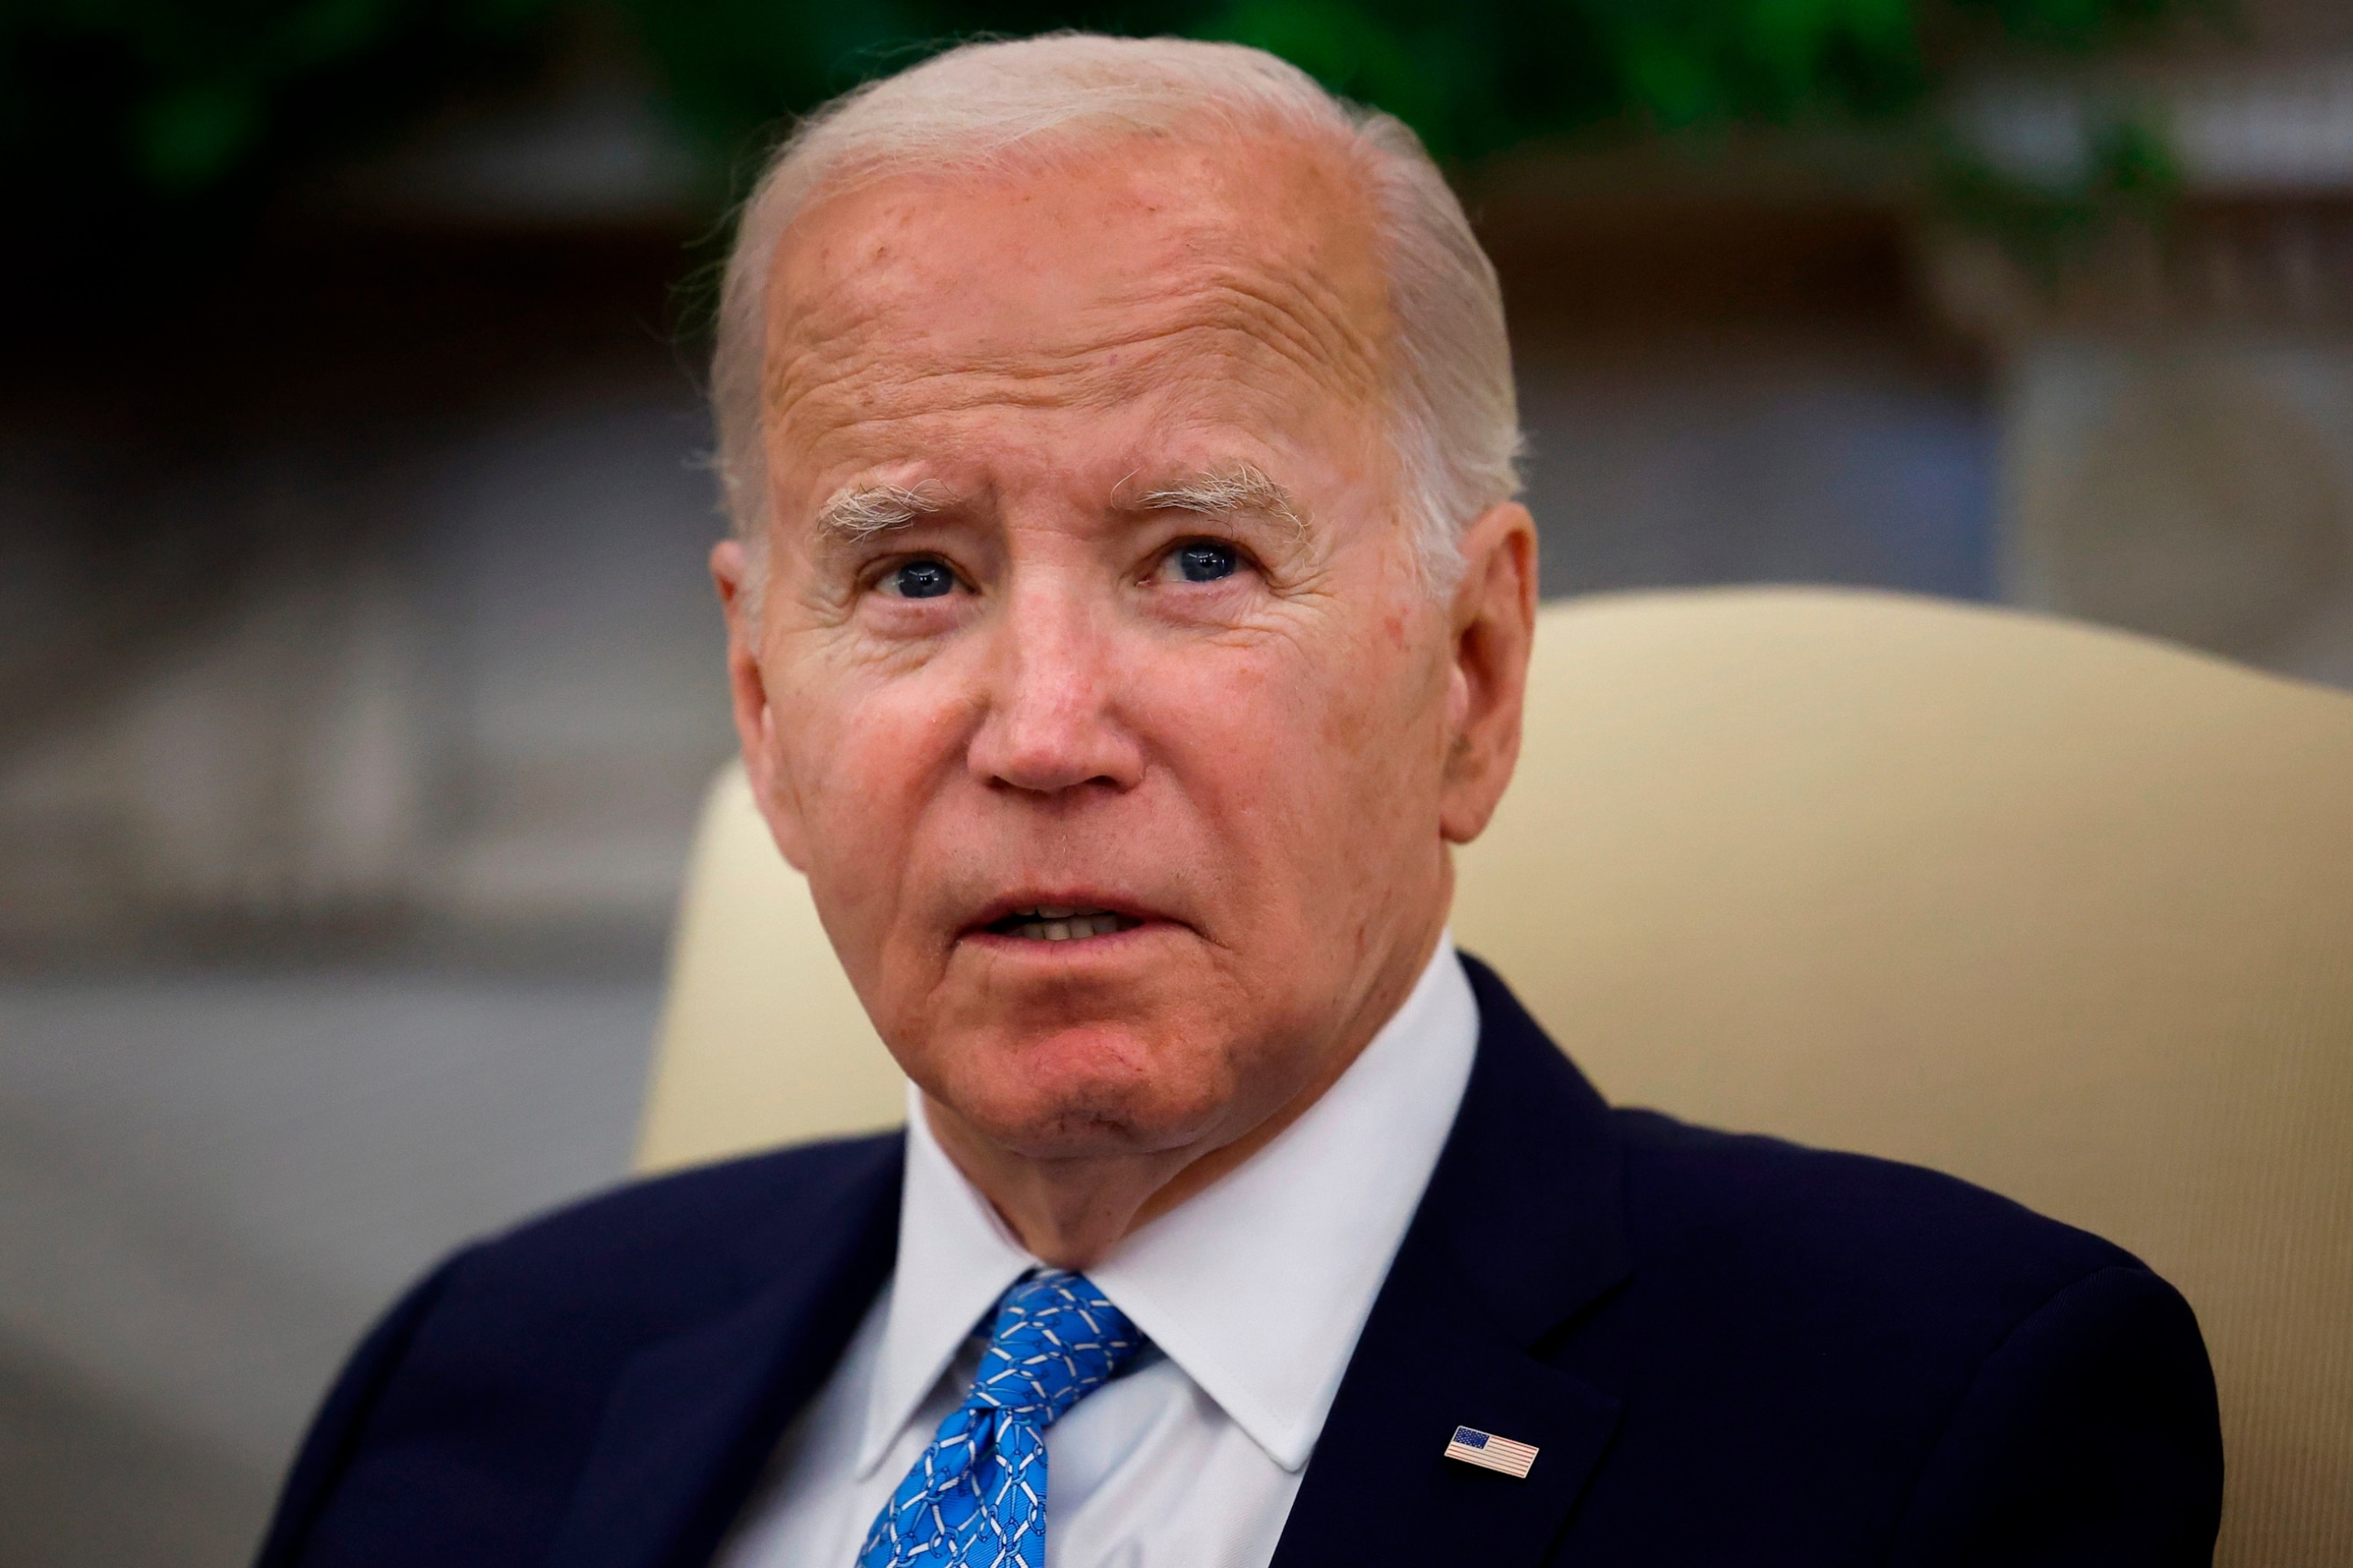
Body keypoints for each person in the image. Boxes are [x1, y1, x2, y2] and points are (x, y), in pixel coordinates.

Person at [253, 34, 2221, 1568]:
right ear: (766, 711)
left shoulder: (1934, 1420)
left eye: (1197, 558)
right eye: (918, 575)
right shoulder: (478, 1382)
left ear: (1473, 674)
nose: (1041, 729)